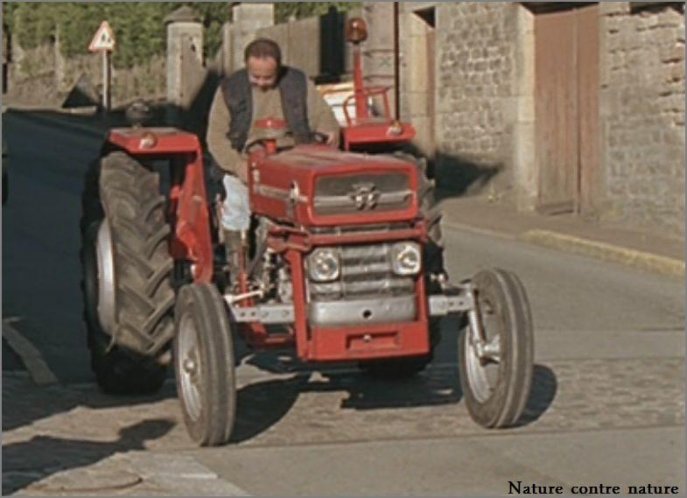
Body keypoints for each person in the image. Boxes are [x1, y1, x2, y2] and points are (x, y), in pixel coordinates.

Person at [207, 38, 340, 282]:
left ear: (278, 69)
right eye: (255, 76)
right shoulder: (229, 89)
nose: (261, 83)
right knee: (237, 205)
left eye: (267, 77)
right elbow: (215, 138)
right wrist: (238, 166)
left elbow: (322, 115)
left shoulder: (298, 84)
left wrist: (329, 131)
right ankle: (240, 275)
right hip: (245, 161)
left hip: (290, 160)